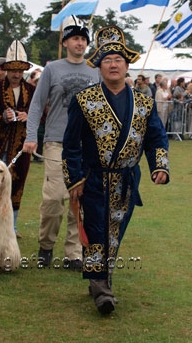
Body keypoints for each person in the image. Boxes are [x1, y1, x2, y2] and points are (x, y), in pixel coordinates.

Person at [62, 25, 170, 314]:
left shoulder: (145, 103)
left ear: (126, 65)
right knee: (97, 233)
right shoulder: (83, 100)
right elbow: (70, 145)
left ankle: (99, 278)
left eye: (118, 60)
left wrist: (159, 165)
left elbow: (156, 137)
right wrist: (75, 180)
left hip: (126, 180)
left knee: (114, 234)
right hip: (94, 178)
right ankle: (103, 291)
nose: (113, 64)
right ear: (99, 65)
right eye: (107, 60)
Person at [23, 15, 100, 269]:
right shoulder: (52, 70)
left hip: (87, 145)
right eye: (75, 38)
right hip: (57, 142)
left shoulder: (95, 71)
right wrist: (32, 136)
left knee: (80, 201)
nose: (80, 43)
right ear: (66, 42)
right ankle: (46, 246)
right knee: (55, 198)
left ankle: (74, 254)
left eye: (83, 39)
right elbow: (36, 106)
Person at [0, 40, 34, 238]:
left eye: (20, 71)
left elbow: (41, 114)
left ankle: (12, 227)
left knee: (17, 186)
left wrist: (29, 116)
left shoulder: (31, 90)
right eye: (12, 70)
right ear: (6, 70)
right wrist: (2, 118)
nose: (16, 74)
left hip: (21, 147)